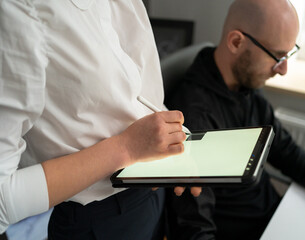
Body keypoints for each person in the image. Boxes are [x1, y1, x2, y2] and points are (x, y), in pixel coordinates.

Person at [0, 1, 200, 239]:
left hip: (152, 193)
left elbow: (137, 95)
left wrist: (178, 144)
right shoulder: (18, 10)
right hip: (99, 221)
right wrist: (126, 147)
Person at [164, 0, 305, 239]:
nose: (283, 69)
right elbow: (195, 229)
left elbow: (286, 151)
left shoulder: (243, 83)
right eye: (277, 56)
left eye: (288, 54)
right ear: (236, 42)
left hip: (277, 215)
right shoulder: (195, 119)